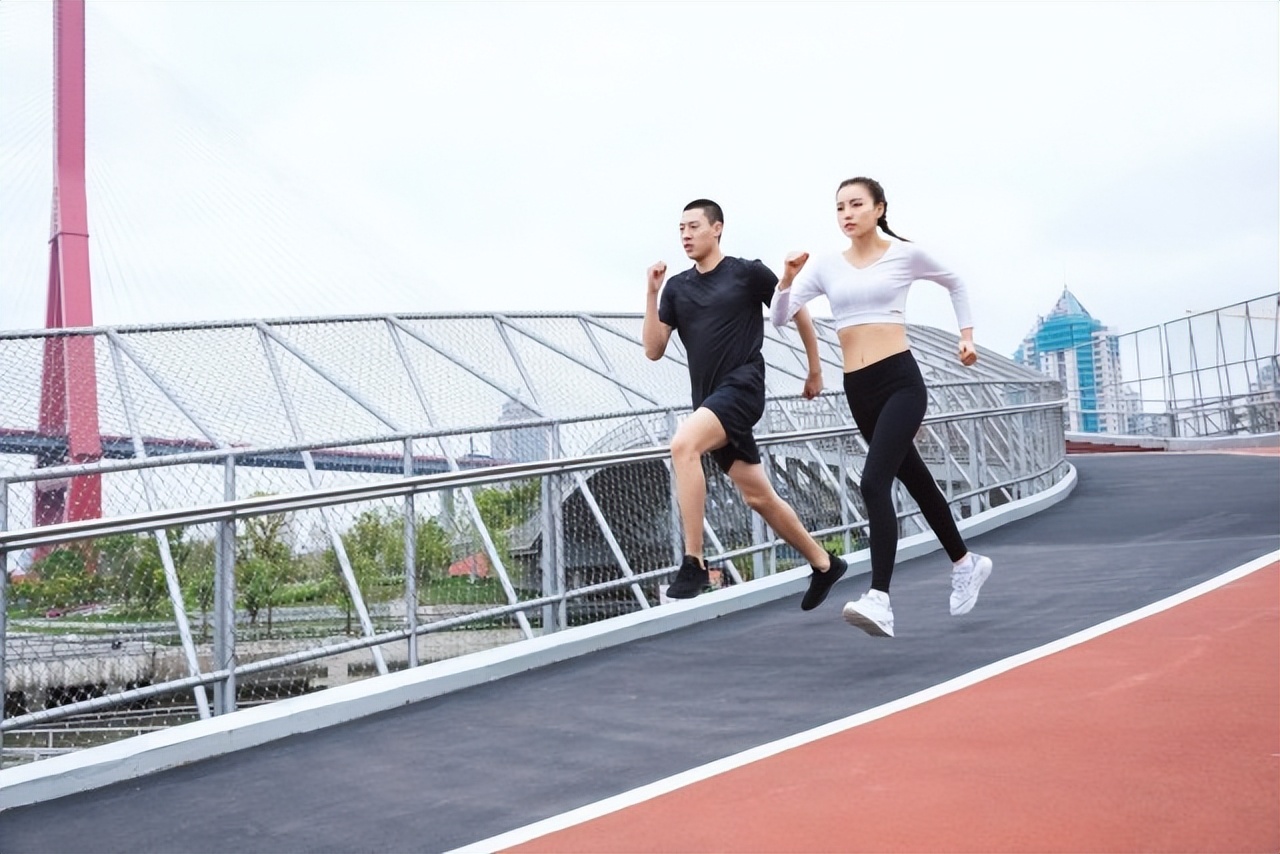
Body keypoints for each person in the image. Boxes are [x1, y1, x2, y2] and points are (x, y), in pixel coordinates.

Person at [770, 177, 993, 638]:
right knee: (918, 481)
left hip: (901, 382)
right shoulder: (827, 267)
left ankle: (880, 598)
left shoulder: (903, 254)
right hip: (859, 389)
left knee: (873, 482)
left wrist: (966, 336)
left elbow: (955, 282)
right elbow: (778, 318)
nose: (847, 213)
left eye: (856, 205)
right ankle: (966, 562)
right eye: (839, 208)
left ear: (879, 209)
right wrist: (788, 278)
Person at [644, 198, 848, 608]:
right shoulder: (678, 288)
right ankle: (825, 563)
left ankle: (694, 561)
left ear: (717, 228)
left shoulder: (746, 272)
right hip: (709, 401)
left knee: (683, 445)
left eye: (693, 226)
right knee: (758, 496)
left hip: (743, 388)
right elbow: (653, 350)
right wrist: (651, 293)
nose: (685, 234)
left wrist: (815, 369)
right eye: (680, 228)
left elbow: (796, 311)